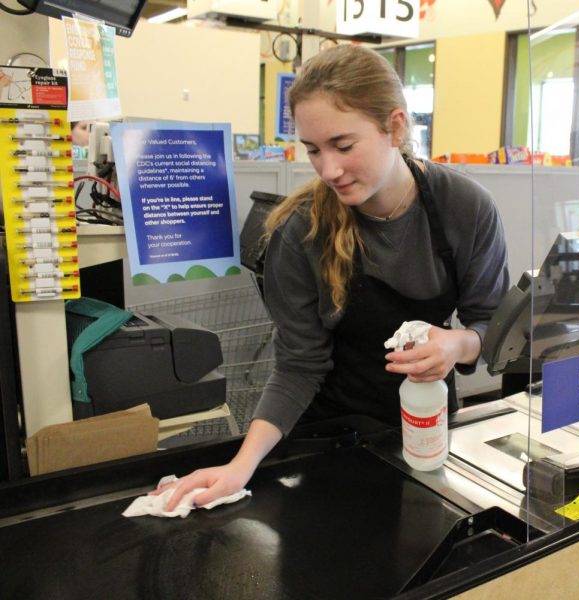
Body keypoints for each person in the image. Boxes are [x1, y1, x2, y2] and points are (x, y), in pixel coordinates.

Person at [159, 44, 509, 510]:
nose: (329, 170)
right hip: (327, 438)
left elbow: (491, 324)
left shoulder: (464, 208)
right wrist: (239, 467)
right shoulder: (301, 230)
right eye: (313, 150)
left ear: (395, 127)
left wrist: (456, 344)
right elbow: (298, 365)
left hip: (428, 427)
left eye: (343, 146)